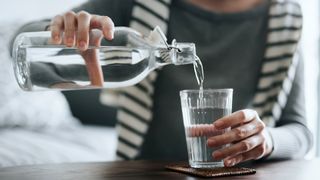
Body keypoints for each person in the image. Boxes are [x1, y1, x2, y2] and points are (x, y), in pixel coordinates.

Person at [11, 0, 313, 167]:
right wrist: (56, 29)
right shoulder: (141, 4)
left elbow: (301, 133)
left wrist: (266, 140)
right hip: (146, 174)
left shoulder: (285, 18)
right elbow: (20, 38)